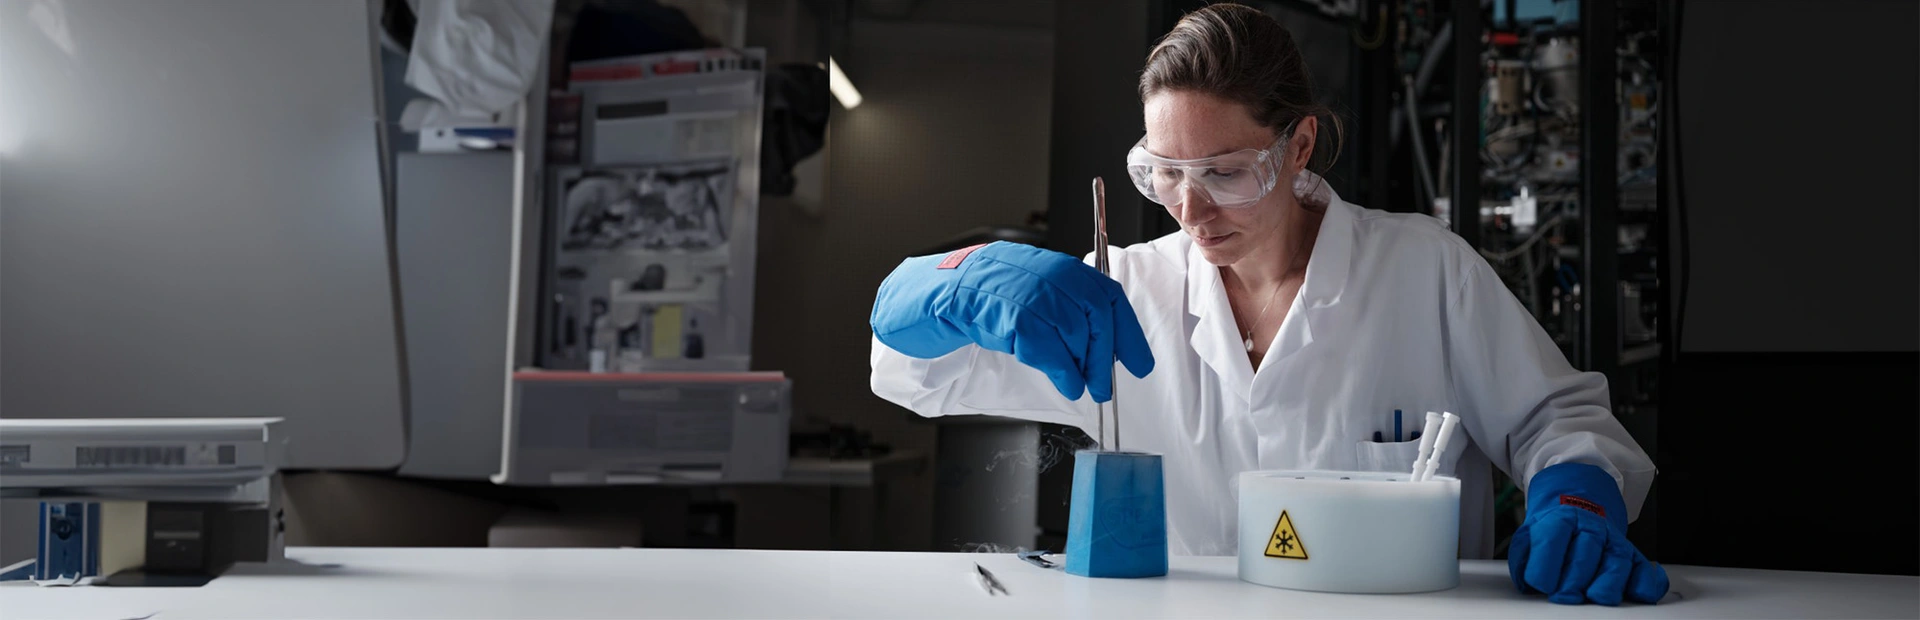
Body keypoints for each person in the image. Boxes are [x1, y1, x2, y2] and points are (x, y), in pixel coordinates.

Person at [868, 3, 1666, 607]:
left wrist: (1573, 498)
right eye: (1165, 173)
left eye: (1226, 172)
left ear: (1301, 145)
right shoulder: (1125, 291)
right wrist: (947, 284)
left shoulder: (1423, 271)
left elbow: (1560, 424)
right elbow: (917, 376)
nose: (1191, 208)